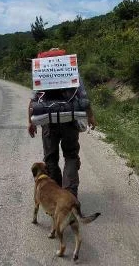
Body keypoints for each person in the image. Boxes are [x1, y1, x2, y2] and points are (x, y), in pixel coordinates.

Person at [27, 49, 96, 198]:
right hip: (69, 120)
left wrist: (30, 122)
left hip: (48, 122)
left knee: (50, 158)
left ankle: (57, 194)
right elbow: (83, 97)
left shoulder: (42, 72)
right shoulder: (71, 72)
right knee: (71, 156)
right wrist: (90, 116)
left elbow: (33, 102)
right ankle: (70, 194)